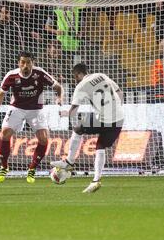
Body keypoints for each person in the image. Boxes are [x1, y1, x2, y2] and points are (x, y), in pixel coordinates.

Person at [0, 51, 64, 183]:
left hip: (36, 110)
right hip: (17, 108)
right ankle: (4, 167)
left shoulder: (40, 73)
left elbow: (58, 86)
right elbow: (0, 95)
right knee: (4, 134)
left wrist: (59, 98)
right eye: (23, 62)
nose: (25, 65)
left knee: (44, 139)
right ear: (19, 63)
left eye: (28, 62)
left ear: (32, 63)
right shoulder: (11, 75)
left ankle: (32, 169)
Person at [51, 63, 124, 193]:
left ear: (78, 74)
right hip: (118, 119)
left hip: (103, 119)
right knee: (100, 145)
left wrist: (64, 113)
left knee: (78, 128)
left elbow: (73, 113)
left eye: (75, 77)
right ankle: (96, 180)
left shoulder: (81, 86)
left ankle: (69, 162)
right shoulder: (101, 75)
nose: (75, 80)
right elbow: (119, 92)